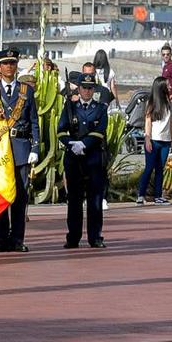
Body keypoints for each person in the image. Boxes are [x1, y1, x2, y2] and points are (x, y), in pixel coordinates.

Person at [0, 49, 39, 253]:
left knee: (20, 197)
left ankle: (18, 239)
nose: (9, 67)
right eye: (5, 64)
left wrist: (35, 147)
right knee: (1, 195)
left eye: (12, 63)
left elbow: (34, 122)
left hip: (20, 148)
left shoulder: (25, 91)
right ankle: (2, 239)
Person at [59, 70, 109, 249]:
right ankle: (73, 237)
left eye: (90, 88)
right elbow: (61, 130)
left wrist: (84, 144)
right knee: (74, 200)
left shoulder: (101, 108)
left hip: (93, 158)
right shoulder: (69, 107)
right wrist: (71, 143)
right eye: (84, 88)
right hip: (73, 159)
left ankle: (95, 237)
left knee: (95, 200)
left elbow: (100, 131)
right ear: (78, 89)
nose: (87, 91)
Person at [136, 76, 172, 207]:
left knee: (160, 168)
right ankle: (141, 194)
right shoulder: (151, 102)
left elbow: (170, 122)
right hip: (153, 140)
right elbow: (148, 121)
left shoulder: (169, 102)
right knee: (149, 167)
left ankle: (158, 196)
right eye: (168, 85)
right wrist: (147, 138)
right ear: (161, 86)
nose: (170, 86)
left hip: (166, 140)